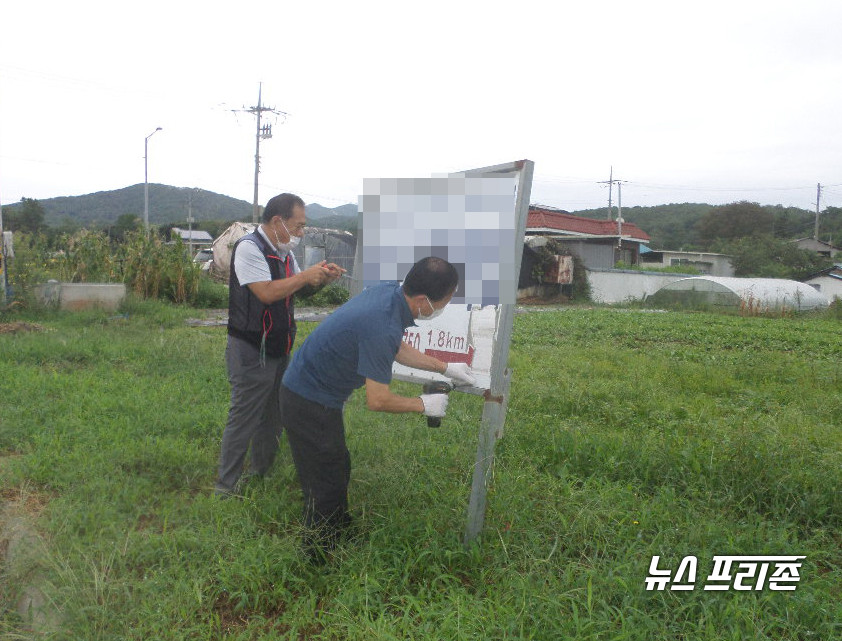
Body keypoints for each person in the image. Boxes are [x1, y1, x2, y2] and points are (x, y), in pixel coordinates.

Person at [279, 256, 476, 558]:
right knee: (324, 482)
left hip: (316, 393)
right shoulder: (381, 323)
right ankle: (317, 557)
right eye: (445, 302)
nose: (444, 308)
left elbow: (396, 347)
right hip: (307, 399)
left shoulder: (389, 295)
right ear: (424, 300)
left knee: (337, 464)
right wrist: (423, 404)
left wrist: (445, 367)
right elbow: (378, 399)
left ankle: (338, 530)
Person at [215, 193, 345, 496]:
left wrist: (321, 279)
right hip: (251, 348)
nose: (300, 234)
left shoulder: (284, 252)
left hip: (279, 346)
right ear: (277, 222)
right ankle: (226, 486)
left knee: (274, 415)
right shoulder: (249, 248)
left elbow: (294, 292)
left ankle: (260, 473)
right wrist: (304, 277)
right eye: (297, 227)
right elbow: (267, 293)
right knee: (245, 415)